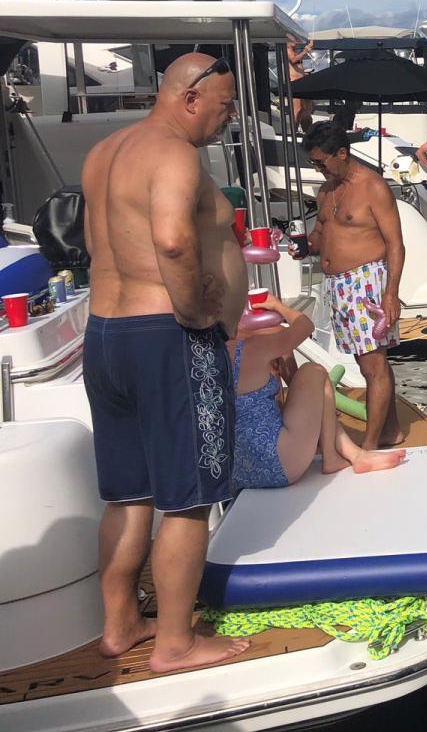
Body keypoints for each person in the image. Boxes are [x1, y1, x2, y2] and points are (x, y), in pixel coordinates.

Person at [80, 51, 250, 671]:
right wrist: (197, 314)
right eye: (224, 106)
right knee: (188, 497)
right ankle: (176, 642)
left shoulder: (105, 153)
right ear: (189, 96)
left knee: (129, 493)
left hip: (105, 335)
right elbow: (174, 239)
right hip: (167, 338)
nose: (226, 119)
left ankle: (121, 622)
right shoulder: (176, 153)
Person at [299, 121, 405, 450]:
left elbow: (395, 245)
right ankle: (391, 431)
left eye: (321, 162)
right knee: (365, 362)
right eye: (313, 163)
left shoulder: (372, 187)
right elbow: (320, 235)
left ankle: (370, 445)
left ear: (342, 153)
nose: (317, 169)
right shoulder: (327, 190)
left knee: (373, 364)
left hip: (366, 281)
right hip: (337, 285)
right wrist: (304, 245)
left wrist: (391, 294)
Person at [231, 295, 404, 488]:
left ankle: (354, 454)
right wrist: (278, 306)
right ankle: (332, 457)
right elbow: (305, 325)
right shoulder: (257, 346)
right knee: (313, 372)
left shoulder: (209, 353)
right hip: (279, 465)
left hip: (236, 472)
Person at [286, 34, 315, 132]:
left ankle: (307, 132)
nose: (295, 41)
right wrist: (305, 50)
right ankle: (293, 132)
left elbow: (298, 59)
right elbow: (293, 60)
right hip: (295, 83)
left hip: (300, 84)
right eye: (293, 39)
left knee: (305, 111)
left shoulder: (293, 52)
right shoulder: (287, 51)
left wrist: (308, 48)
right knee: (297, 110)